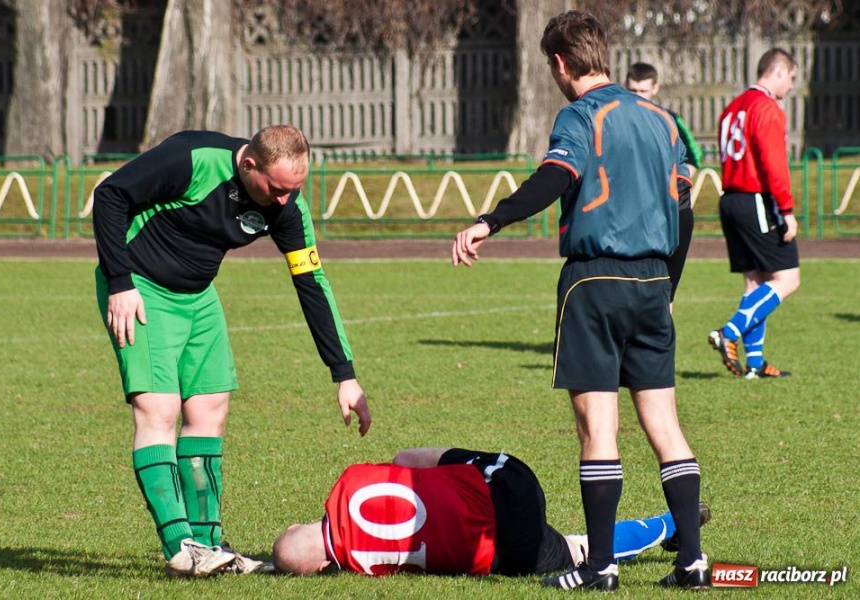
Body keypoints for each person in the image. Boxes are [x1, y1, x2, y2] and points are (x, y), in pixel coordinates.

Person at [451, 11, 707, 591]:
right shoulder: (663, 122)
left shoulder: (580, 116)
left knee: (598, 427)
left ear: (561, 63)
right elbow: (684, 209)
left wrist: (489, 221)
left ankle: (600, 567)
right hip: (652, 284)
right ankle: (692, 560)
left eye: (550, 66)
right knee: (665, 425)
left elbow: (554, 178)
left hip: (594, 283)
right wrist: (668, 285)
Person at [92, 125, 371, 578]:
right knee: (158, 410)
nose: (285, 201)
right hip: (139, 288)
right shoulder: (192, 158)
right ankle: (181, 548)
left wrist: (344, 373)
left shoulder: (286, 207)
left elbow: (311, 283)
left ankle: (209, 545)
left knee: (211, 408)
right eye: (277, 189)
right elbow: (111, 196)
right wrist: (120, 282)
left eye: (295, 190)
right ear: (248, 165)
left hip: (198, 295)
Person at [272, 448, 711, 577]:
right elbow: (401, 463)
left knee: (580, 549)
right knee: (413, 457)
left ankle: (672, 523)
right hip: (507, 486)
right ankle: (680, 523)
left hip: (503, 551)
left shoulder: (363, 566)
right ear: (301, 524)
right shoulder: (349, 481)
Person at [710, 48, 800, 379]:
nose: (790, 87)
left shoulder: (732, 108)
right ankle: (729, 333)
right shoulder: (767, 109)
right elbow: (773, 163)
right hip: (756, 199)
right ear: (778, 72)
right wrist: (786, 209)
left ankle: (755, 364)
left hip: (730, 198)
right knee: (788, 279)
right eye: (791, 78)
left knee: (755, 281)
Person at [626, 62, 703, 307]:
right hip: (630, 215)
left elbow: (694, 157)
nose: (638, 97)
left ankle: (661, 344)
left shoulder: (670, 119)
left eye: (643, 91)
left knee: (665, 291)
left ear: (655, 88)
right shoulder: (619, 119)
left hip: (667, 213)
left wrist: (672, 183)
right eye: (633, 91)